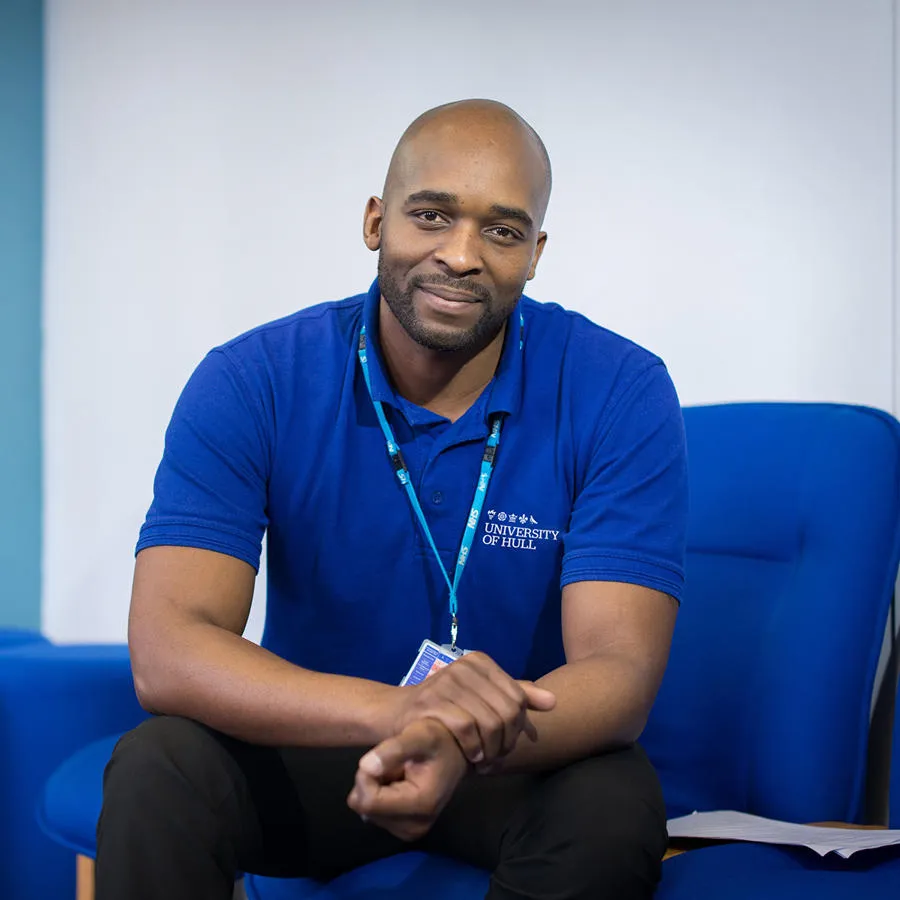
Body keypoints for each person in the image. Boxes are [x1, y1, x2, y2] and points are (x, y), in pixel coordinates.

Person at [96, 98, 688, 900]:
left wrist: (453, 735)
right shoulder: (253, 379)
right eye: (432, 215)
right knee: (159, 766)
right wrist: (393, 716)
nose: (461, 254)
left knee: (615, 801)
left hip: (507, 755)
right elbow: (168, 652)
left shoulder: (619, 388)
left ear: (536, 253)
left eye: (503, 231)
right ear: (376, 221)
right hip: (319, 742)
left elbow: (618, 674)